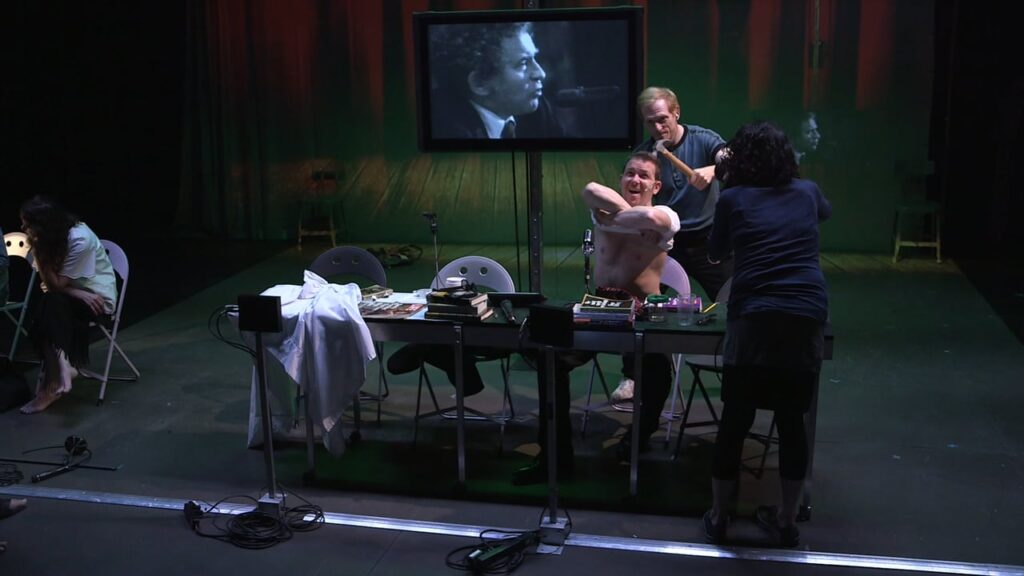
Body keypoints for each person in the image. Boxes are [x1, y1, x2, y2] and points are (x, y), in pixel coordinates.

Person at [512, 151, 680, 485]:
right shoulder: (603, 209)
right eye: (630, 173)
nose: (635, 180)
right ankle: (554, 458)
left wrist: (618, 219)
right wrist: (632, 218)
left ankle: (636, 440)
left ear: (656, 186)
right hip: (598, 307)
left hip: (641, 313)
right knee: (551, 359)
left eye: (644, 176)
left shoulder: (665, 216)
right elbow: (590, 189)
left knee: (659, 374)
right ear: (621, 179)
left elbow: (656, 219)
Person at [702, 122, 831, 548]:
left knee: (735, 419)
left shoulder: (734, 198)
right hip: (805, 313)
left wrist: (726, 186)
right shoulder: (808, 192)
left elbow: (715, 252)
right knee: (792, 421)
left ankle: (719, 516)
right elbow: (823, 213)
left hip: (753, 316)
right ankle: (786, 520)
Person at [613, 86, 731, 404]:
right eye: (650, 122)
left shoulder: (704, 140)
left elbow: (731, 159)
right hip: (665, 242)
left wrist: (714, 169)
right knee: (635, 304)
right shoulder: (645, 155)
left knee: (735, 299)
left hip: (708, 240)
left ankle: (740, 368)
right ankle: (633, 375)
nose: (657, 127)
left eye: (662, 119)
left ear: (676, 112)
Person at [17, 196, 117, 414]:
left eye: (28, 223)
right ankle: (63, 367)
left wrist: (38, 249)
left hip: (97, 300)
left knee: (49, 305)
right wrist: (75, 291)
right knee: (50, 304)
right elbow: (53, 286)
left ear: (44, 224)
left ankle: (53, 384)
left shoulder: (79, 239)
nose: (23, 228)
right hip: (69, 297)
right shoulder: (51, 238)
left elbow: (55, 285)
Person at [428, 22, 565, 139]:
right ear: (479, 83)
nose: (541, 74)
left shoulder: (535, 111)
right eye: (523, 63)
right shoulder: (444, 130)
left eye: (534, 58)